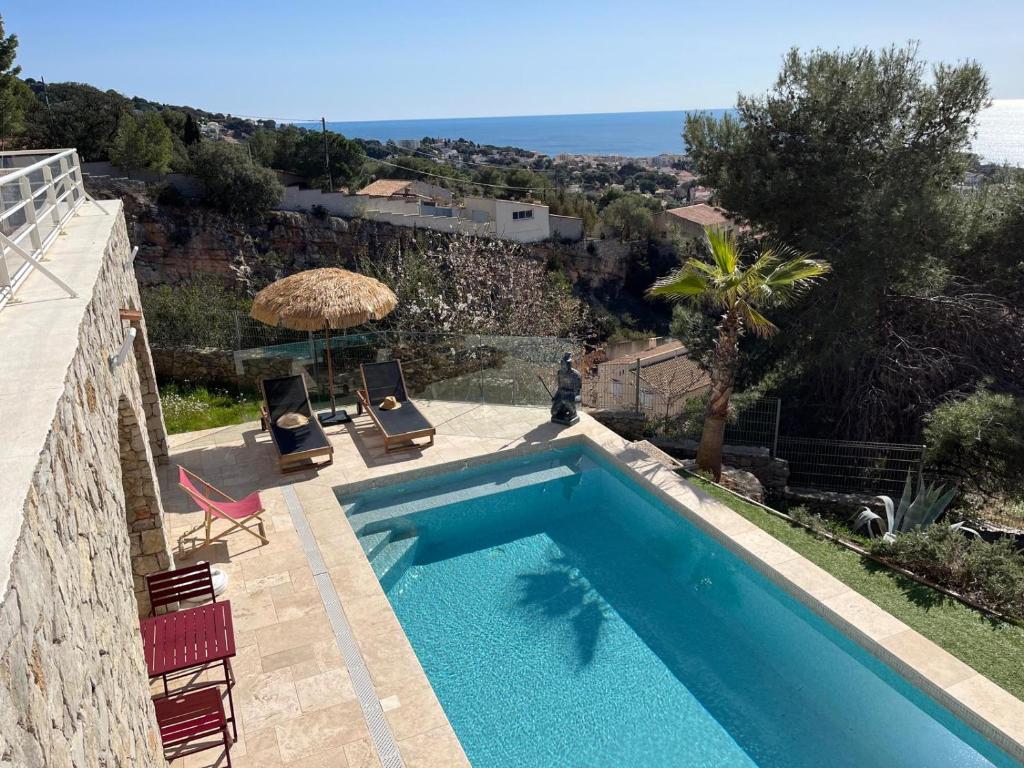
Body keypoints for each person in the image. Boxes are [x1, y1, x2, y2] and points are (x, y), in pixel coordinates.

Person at [551, 352, 582, 426]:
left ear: (569, 365)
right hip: (561, 394)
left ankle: (573, 412)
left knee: (565, 401)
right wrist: (556, 397)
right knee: (554, 413)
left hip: (571, 395)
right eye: (562, 365)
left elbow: (577, 391)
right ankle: (562, 410)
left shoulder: (576, 375)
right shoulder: (559, 373)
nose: (563, 367)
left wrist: (572, 397)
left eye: (565, 365)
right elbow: (559, 387)